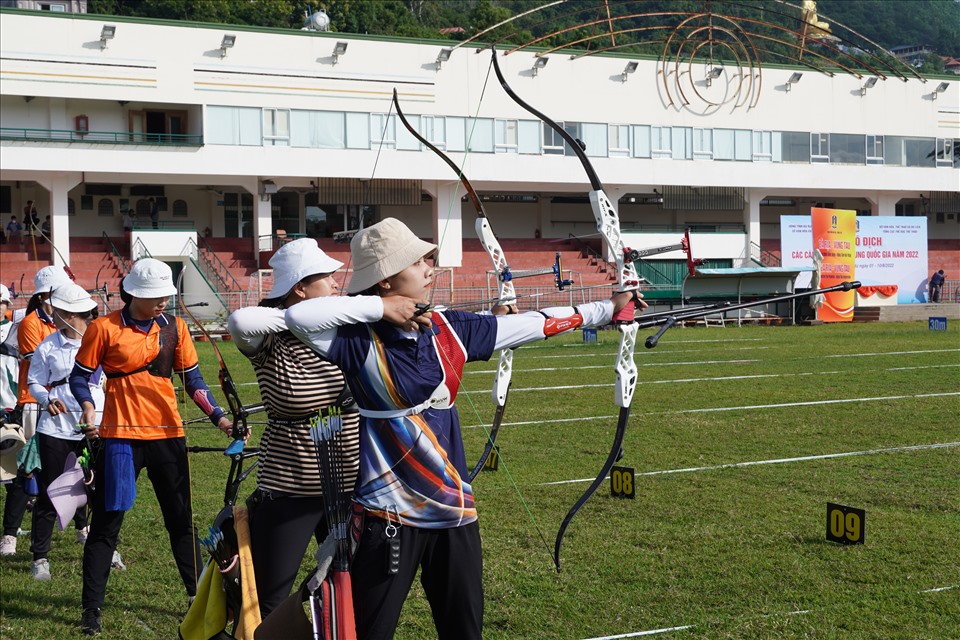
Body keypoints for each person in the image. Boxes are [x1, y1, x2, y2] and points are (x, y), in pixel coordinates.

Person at [283, 218, 644, 640]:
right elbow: (297, 314)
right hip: (387, 519)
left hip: (455, 514)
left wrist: (607, 308)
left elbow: (535, 323)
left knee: (464, 630)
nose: (430, 267)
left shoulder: (448, 327)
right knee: (368, 631)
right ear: (384, 281)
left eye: (428, 259)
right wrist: (381, 310)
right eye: (417, 261)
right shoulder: (354, 338)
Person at [69, 258, 234, 635]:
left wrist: (219, 417)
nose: (163, 301)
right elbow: (81, 378)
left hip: (168, 438)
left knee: (181, 522)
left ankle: (197, 599)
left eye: (166, 295)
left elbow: (194, 380)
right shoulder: (103, 327)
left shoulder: (174, 327)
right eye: (154, 296)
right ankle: (91, 610)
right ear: (133, 295)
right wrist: (89, 407)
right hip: (120, 440)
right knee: (107, 526)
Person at [227, 238, 361, 618]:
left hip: (350, 483)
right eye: (326, 278)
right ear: (299, 288)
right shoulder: (270, 338)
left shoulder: (343, 332)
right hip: (291, 487)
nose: (336, 284)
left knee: (350, 589)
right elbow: (240, 320)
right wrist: (300, 317)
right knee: (271, 596)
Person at [27, 284, 105, 581]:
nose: (53, 315)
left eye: (57, 311)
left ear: (71, 315)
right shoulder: (48, 346)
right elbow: (35, 382)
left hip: (95, 426)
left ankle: (105, 548)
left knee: (100, 490)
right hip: (56, 429)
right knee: (53, 490)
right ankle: (40, 557)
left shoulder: (100, 341)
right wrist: (47, 399)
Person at [0, 266, 73, 558]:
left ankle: (82, 528)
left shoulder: (65, 320)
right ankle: (9, 536)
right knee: (26, 470)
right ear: (44, 295)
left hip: (65, 403)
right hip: (34, 402)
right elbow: (46, 366)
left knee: (73, 464)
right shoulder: (32, 323)